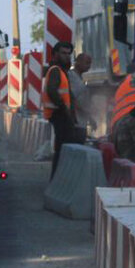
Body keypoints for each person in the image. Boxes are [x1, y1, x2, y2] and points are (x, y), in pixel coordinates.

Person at [44, 41, 81, 177]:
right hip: (58, 115)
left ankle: (58, 180)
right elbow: (52, 91)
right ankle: (56, 180)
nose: (67, 57)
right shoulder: (55, 71)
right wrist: (63, 107)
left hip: (62, 115)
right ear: (55, 55)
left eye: (68, 54)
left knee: (62, 150)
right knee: (61, 151)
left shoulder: (62, 72)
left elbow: (69, 97)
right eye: (63, 53)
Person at [68, 52, 93, 138]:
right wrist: (83, 110)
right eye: (87, 63)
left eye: (90, 63)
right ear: (78, 62)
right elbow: (71, 98)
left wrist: (90, 118)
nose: (89, 66)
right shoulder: (72, 77)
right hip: (75, 124)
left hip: (81, 123)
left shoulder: (79, 78)